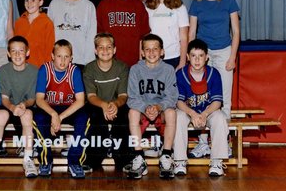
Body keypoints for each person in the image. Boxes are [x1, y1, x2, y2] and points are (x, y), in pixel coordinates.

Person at [188, 0, 240, 158]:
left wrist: (232, 57)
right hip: (202, 55)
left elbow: (236, 31)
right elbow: (192, 32)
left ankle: (223, 143)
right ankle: (203, 143)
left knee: (223, 100)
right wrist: (192, 58)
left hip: (224, 52)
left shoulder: (228, 0)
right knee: (201, 99)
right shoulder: (197, 3)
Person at [0, 36, 39, 179]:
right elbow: (4, 98)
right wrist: (12, 108)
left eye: (21, 51)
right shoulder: (3, 70)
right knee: (0, 115)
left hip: (26, 107)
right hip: (8, 106)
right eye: (14, 51)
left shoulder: (35, 71)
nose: (17, 55)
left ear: (28, 52)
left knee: (27, 115)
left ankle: (28, 158)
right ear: (8, 54)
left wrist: (24, 105)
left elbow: (32, 98)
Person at [34, 39, 89, 179]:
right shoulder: (44, 69)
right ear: (52, 56)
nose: (62, 61)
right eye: (59, 56)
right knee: (38, 118)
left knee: (84, 119)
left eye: (66, 57)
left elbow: (81, 101)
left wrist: (60, 117)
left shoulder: (74, 71)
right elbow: (39, 99)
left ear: (71, 58)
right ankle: (46, 161)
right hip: (49, 108)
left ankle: (74, 162)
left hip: (68, 108)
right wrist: (53, 114)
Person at [174, 39, 229, 176]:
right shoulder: (180, 74)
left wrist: (204, 114)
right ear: (187, 57)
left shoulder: (214, 73)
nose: (197, 60)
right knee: (178, 116)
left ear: (207, 57)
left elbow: (217, 102)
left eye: (200, 56)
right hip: (188, 111)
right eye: (193, 56)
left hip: (208, 110)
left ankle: (216, 160)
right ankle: (180, 160)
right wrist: (192, 114)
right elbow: (179, 102)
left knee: (220, 117)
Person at [126, 33, 178, 179]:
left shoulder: (168, 69)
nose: (151, 53)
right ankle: (138, 157)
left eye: (155, 49)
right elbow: (132, 97)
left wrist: (158, 107)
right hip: (143, 110)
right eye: (147, 49)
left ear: (162, 51)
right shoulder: (135, 69)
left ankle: (166, 156)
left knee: (172, 113)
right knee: (132, 112)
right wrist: (144, 108)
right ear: (142, 52)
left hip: (160, 110)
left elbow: (172, 96)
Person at [83, 33, 132, 171]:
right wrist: (104, 106)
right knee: (96, 118)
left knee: (123, 117)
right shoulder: (89, 69)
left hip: (117, 104)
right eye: (101, 47)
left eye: (109, 47)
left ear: (114, 50)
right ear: (95, 51)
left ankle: (124, 159)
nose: (105, 51)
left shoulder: (122, 67)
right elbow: (91, 96)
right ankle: (93, 159)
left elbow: (123, 95)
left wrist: (115, 105)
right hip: (97, 105)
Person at [97, 0, 150, 67]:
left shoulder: (138, 6)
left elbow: (143, 37)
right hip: (110, 63)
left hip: (133, 63)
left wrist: (141, 61)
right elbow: (99, 36)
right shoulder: (103, 5)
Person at [48, 0, 96, 67]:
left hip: (81, 61)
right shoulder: (54, 4)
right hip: (58, 61)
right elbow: (48, 35)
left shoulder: (89, 6)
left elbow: (91, 36)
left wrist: (88, 63)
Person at [145, 0, 189, 70]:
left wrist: (182, 61)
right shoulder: (147, 7)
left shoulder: (180, 8)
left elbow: (184, 37)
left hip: (174, 57)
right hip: (153, 57)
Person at [14, 0, 55, 68]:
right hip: (21, 68)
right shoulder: (19, 22)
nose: (29, 4)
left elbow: (49, 51)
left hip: (39, 68)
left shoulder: (47, 23)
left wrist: (47, 70)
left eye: (33, 0)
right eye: (27, 0)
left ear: (41, 2)